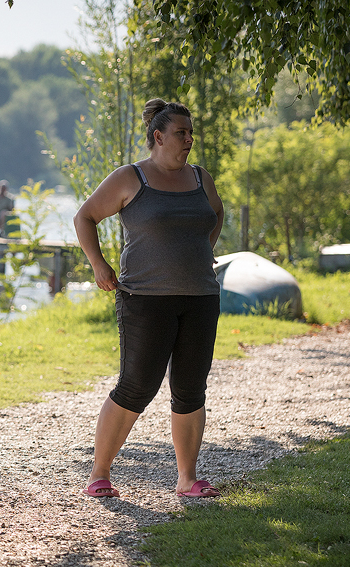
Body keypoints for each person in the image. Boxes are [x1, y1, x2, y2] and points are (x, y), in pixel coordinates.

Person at [73, 99, 224, 500]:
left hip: (200, 297)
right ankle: (99, 473)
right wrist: (98, 264)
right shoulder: (130, 177)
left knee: (191, 388)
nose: (189, 139)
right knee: (137, 385)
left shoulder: (200, 178)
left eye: (191, 132)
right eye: (181, 132)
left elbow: (216, 214)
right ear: (159, 137)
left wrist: (198, 250)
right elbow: (84, 217)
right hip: (145, 298)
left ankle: (187, 479)